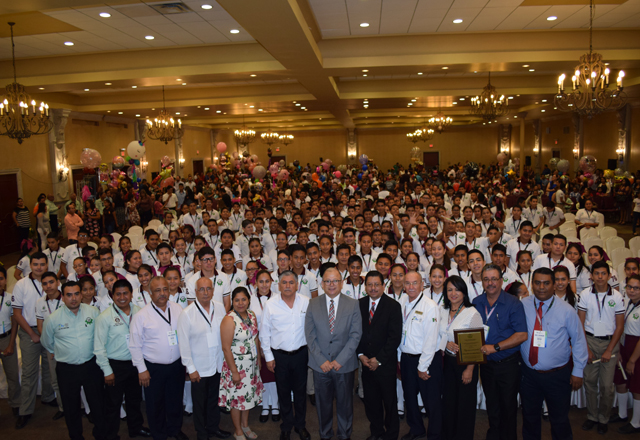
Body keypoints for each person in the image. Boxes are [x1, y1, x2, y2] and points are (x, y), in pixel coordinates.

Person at [520, 268, 588, 440]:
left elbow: (578, 340)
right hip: (529, 375)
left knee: (559, 419)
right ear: (532, 284)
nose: (541, 287)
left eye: (546, 283)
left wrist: (578, 371)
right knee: (529, 417)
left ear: (554, 285)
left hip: (557, 375)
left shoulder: (566, 310)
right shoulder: (522, 305)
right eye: (537, 283)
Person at [41, 281, 107, 440]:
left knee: (98, 403)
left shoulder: (93, 312)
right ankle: (76, 436)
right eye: (69, 295)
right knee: (71, 407)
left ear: (81, 295)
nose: (73, 298)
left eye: (77, 293)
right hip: (67, 369)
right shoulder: (53, 318)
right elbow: (47, 342)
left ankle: (101, 434)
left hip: (91, 366)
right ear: (63, 297)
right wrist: (59, 351)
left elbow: (101, 335)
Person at [305, 267, 362, 440]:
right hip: (320, 365)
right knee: (323, 405)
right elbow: (310, 335)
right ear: (322, 284)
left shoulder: (353, 304)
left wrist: (340, 360)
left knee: (345, 404)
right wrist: (321, 360)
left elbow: (355, 335)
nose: (331, 284)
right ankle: (325, 434)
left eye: (335, 280)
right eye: (327, 281)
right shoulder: (313, 304)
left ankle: (344, 435)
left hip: (344, 364)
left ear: (342, 283)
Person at [473, 263, 528, 440]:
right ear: (482, 281)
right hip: (486, 364)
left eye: (494, 279)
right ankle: (494, 434)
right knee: (492, 404)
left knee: (508, 406)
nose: (490, 283)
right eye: (486, 279)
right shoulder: (476, 302)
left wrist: (495, 347)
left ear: (501, 280)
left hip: (508, 364)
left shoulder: (513, 303)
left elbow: (522, 335)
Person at [129, 276, 188, 440]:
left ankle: (174, 430)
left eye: (165, 289)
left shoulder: (177, 309)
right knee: (155, 403)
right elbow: (134, 345)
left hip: (176, 365)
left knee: (175, 400)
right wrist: (142, 370)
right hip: (153, 368)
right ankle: (159, 434)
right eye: (157, 290)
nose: (162, 293)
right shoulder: (141, 315)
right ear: (150, 293)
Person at [94, 279, 151, 440]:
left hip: (135, 363)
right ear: (112, 296)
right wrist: (107, 371)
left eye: (125, 293)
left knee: (134, 400)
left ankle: (135, 428)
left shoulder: (139, 312)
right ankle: (110, 434)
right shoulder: (105, 317)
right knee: (113, 403)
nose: (122, 297)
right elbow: (98, 347)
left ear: (131, 294)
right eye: (118, 294)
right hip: (115, 366)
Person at [259, 270, 311, 440]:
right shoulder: (270, 305)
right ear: (279, 285)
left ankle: (300, 425)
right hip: (279, 356)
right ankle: (287, 425)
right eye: (284, 282)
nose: (288, 286)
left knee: (300, 393)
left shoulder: (306, 302)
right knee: (283, 392)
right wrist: (268, 357)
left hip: (301, 354)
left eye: (291, 282)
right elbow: (264, 333)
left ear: (297, 285)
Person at [177, 277, 230, 440]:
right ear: (195, 292)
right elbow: (183, 344)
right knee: (199, 403)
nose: (205, 292)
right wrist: (191, 369)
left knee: (214, 399)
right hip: (199, 367)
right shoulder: (187, 314)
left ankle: (214, 427)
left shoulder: (220, 307)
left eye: (208, 289)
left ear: (213, 291)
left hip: (217, 363)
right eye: (201, 289)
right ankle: (201, 432)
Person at [577, 261, 624, 434]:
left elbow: (620, 326)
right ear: (591, 276)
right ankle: (592, 416)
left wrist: (610, 350)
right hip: (590, 341)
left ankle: (604, 418)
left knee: (606, 386)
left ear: (609, 276)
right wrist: (587, 349)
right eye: (596, 273)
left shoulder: (617, 296)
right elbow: (580, 324)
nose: (600, 277)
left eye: (603, 273)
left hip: (609, 343)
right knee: (590, 383)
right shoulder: (585, 294)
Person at [11, 251, 57, 429]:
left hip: (49, 331)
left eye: (42, 264)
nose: (39, 267)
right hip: (29, 331)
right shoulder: (21, 284)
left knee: (49, 368)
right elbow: (17, 313)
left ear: (47, 265)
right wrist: (32, 334)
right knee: (29, 372)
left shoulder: (52, 281)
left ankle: (48, 396)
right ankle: (25, 410)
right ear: (30, 265)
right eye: (35, 264)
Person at [357, 270, 402, 440]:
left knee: (389, 402)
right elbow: (355, 333)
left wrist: (379, 359)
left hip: (385, 364)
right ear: (365, 287)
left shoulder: (393, 306)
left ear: (384, 285)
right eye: (370, 285)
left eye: (377, 284)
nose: (373, 288)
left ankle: (391, 434)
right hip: (366, 363)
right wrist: (360, 354)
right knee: (371, 402)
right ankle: (376, 432)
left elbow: (394, 337)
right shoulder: (359, 304)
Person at [439, 275, 484, 440]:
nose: (453, 293)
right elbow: (437, 335)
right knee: (449, 402)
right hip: (447, 362)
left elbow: (477, 345)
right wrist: (445, 344)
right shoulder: (442, 311)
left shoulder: (472, 313)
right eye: (449, 290)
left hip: (465, 364)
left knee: (464, 405)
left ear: (464, 292)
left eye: (457, 289)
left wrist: (470, 369)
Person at [398, 271, 442, 440]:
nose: (411, 287)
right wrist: (399, 357)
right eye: (407, 283)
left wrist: (423, 367)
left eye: (415, 283)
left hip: (426, 359)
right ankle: (416, 429)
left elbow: (431, 340)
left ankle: (435, 434)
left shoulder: (430, 306)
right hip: (406, 358)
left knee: (431, 400)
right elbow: (400, 332)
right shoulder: (402, 301)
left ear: (422, 285)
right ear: (403, 286)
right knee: (409, 397)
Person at [219, 286, 263, 440]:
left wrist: (258, 359)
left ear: (249, 300)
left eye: (243, 299)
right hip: (236, 367)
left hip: (251, 366)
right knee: (237, 399)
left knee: (248, 396)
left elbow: (255, 338)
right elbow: (226, 348)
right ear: (232, 301)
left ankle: (245, 425)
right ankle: (238, 430)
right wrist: (234, 372)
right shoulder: (229, 319)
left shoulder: (251, 315)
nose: (240, 303)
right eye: (237, 300)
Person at [613, 274, 640, 433]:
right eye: (629, 287)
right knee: (620, 381)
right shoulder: (628, 303)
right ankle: (622, 414)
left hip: (636, 350)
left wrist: (632, 360)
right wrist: (618, 350)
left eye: (636, 288)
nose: (632, 290)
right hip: (624, 346)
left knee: (637, 388)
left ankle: (636, 422)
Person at [0, 266, 21, 417]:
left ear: (6, 280)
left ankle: (16, 403)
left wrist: (11, 343)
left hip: (6, 338)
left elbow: (14, 323)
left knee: (12, 375)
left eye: (1, 278)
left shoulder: (10, 298)